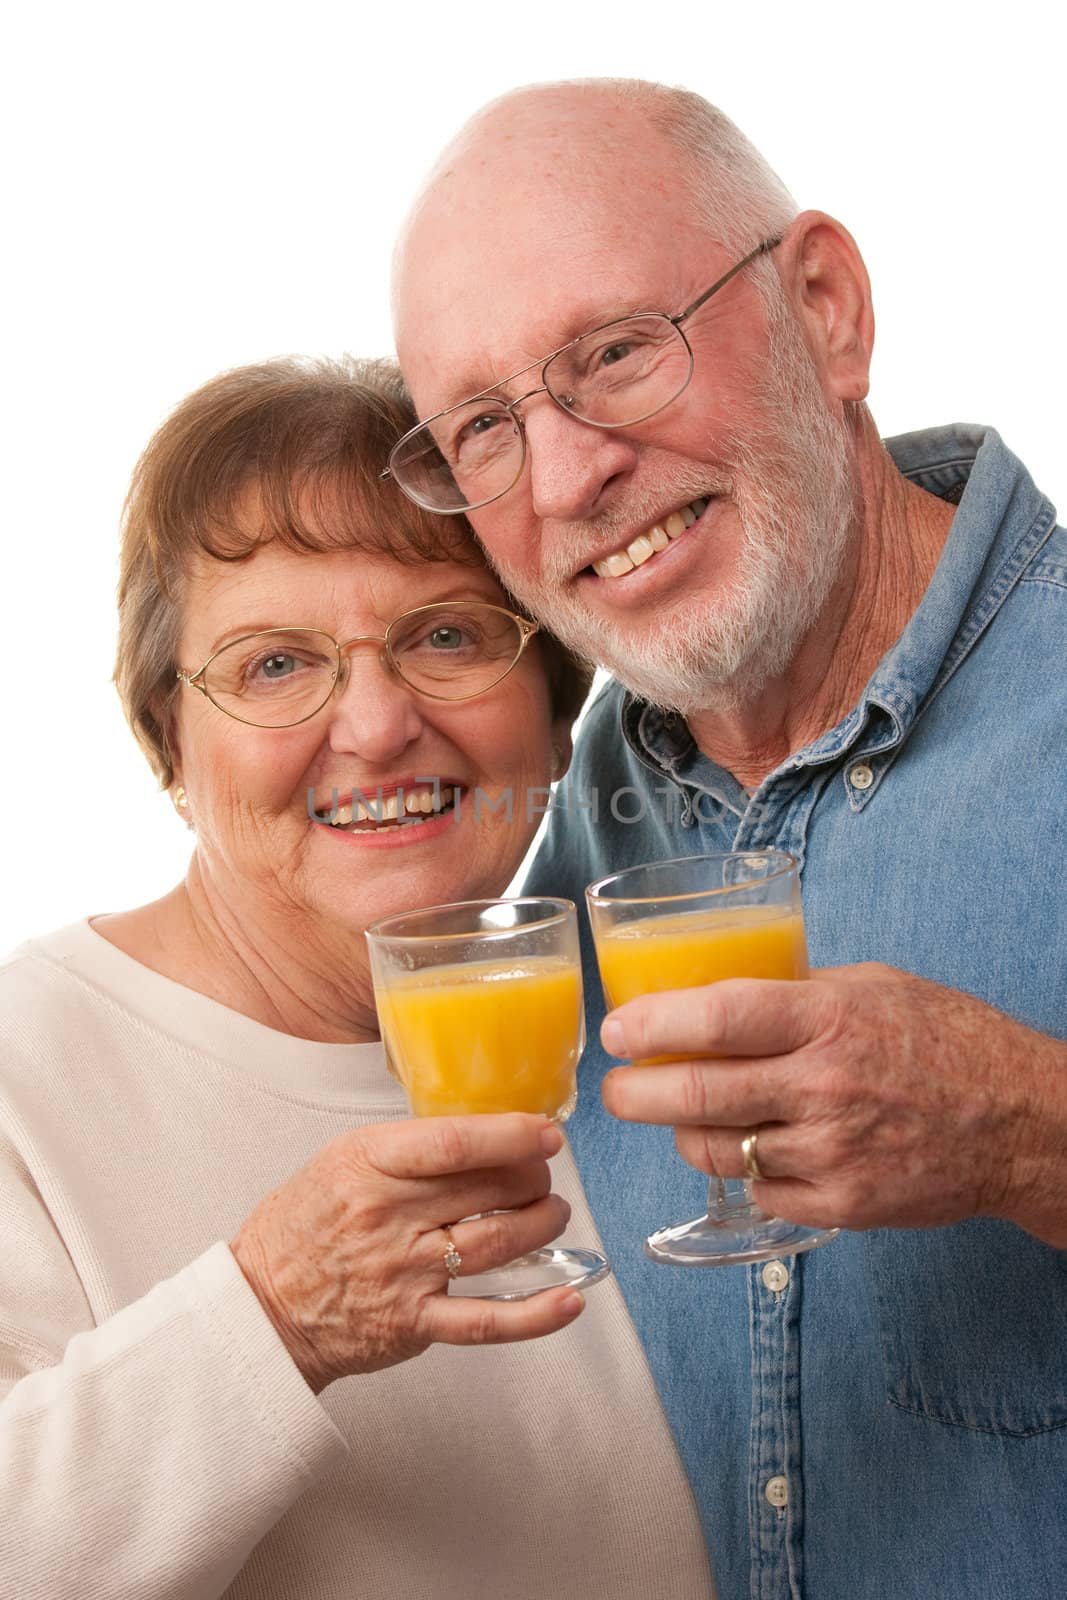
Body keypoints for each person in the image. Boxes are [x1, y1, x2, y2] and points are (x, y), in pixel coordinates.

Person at [390, 78, 1067, 1600]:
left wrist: (1031, 1126)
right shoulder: (537, 829)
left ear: (824, 308)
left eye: (614, 353)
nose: (566, 479)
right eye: (481, 428)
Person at [0, 355, 717, 1599]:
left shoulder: (656, 1027)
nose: (376, 724)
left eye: (445, 635)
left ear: (556, 713)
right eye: (275, 664)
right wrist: (274, 1310)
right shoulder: (28, 1071)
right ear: (170, 738)